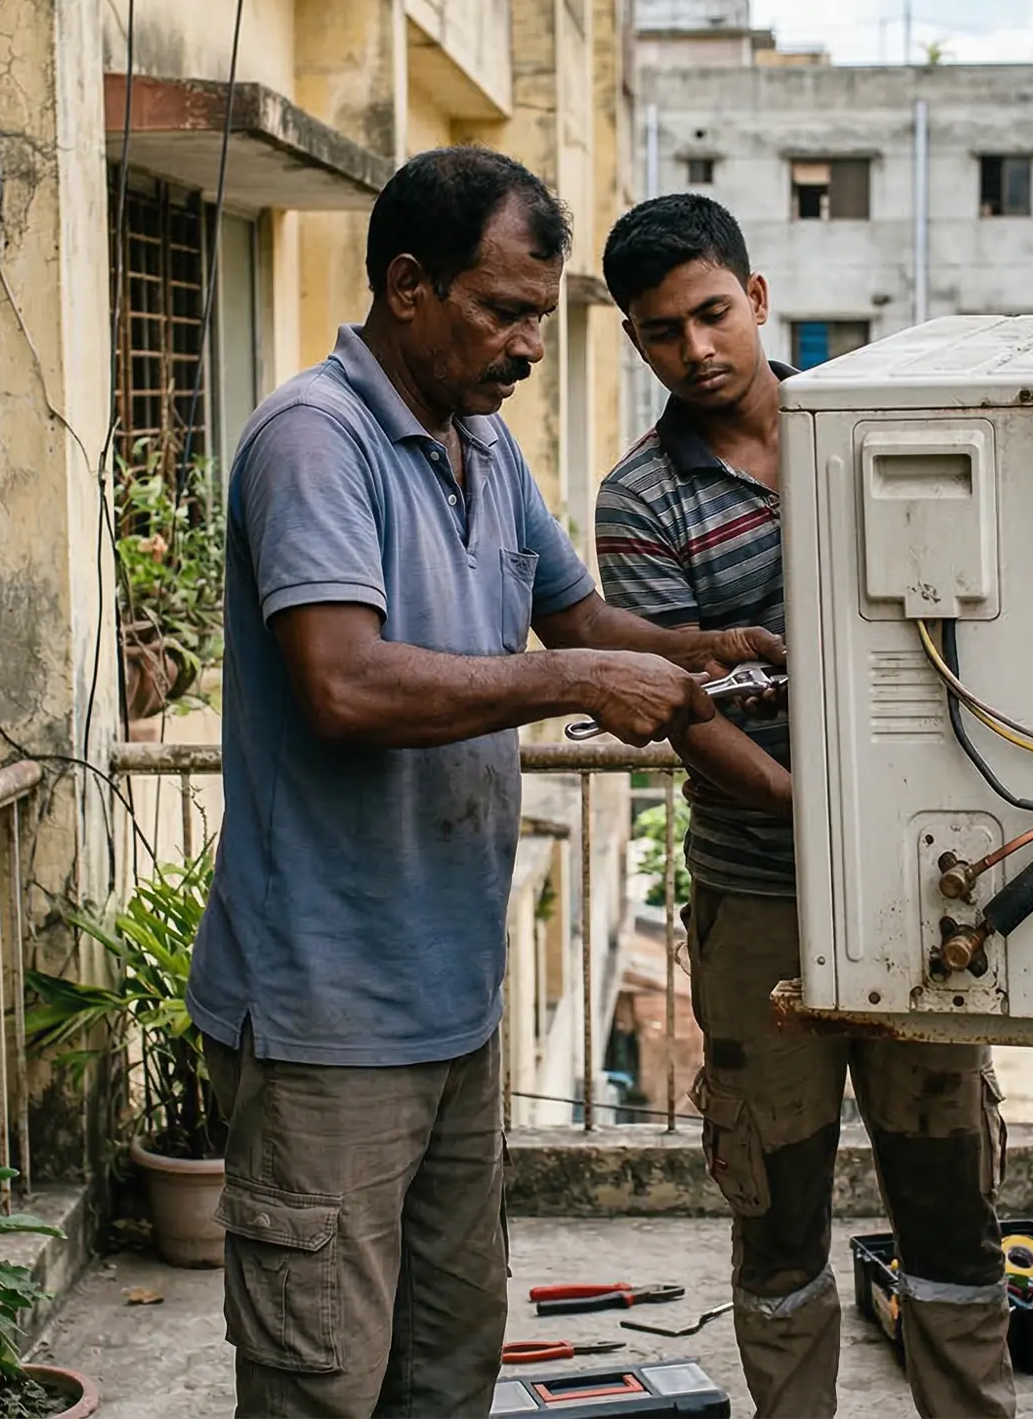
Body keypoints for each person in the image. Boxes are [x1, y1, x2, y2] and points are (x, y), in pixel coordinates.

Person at [185, 150, 782, 1419]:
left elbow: (577, 616)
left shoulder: (484, 446)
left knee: (448, 1364)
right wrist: (573, 681)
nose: (528, 347)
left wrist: (698, 649)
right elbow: (343, 684)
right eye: (504, 311)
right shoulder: (315, 442)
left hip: (451, 1002)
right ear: (409, 286)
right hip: (327, 1015)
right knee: (318, 1382)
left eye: (539, 316)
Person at [594, 193, 1033, 1419]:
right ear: (635, 340)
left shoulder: (889, 423)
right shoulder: (641, 501)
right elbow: (691, 715)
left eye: (712, 313)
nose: (696, 349)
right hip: (761, 897)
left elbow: (1029, 566)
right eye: (662, 331)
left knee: (950, 1204)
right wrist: (828, 825)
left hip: (931, 887)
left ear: (759, 300)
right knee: (776, 1216)